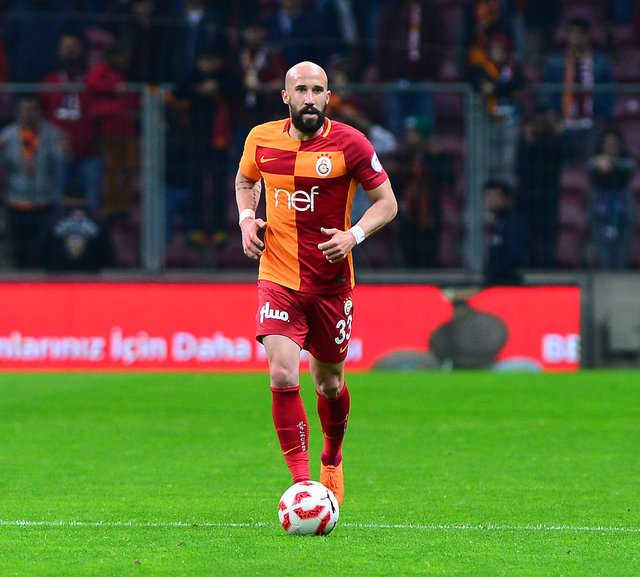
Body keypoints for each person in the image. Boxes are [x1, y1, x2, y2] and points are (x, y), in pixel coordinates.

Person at [235, 61, 397, 505]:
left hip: (330, 284)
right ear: (285, 96)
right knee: (282, 371)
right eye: (301, 90)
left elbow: (387, 203)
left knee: (329, 383)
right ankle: (302, 483)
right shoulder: (261, 138)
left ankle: (332, 456)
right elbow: (246, 178)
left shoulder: (351, 143)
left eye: (317, 90)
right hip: (278, 277)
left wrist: (353, 236)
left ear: (328, 97)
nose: (310, 98)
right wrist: (247, 218)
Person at [0, 94, 69, 268]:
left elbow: (62, 161)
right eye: (24, 109)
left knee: (42, 245)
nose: (28, 113)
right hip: (17, 199)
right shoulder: (8, 134)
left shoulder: (52, 133)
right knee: (19, 246)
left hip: (44, 199)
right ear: (17, 111)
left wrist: (64, 149)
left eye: (32, 109)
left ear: (39, 111)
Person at [40, 32, 104, 213]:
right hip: (58, 153)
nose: (69, 51)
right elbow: (43, 116)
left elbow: (100, 114)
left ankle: (93, 231)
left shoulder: (92, 81)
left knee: (94, 202)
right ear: (58, 51)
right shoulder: (49, 81)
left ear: (82, 50)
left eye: (73, 47)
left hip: (89, 152)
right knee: (55, 202)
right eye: (65, 47)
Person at [515, 105, 565, 268]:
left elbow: (566, 158)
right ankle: (529, 267)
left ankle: (549, 269)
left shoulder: (555, 141)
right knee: (527, 237)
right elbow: (520, 168)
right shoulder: (526, 141)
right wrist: (529, 143)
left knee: (548, 238)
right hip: (527, 198)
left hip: (548, 197)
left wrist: (559, 135)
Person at [586, 128, 637, 269]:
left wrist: (612, 163)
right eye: (607, 143)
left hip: (623, 212)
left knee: (621, 255)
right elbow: (590, 166)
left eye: (614, 143)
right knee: (603, 255)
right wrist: (601, 163)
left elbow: (631, 167)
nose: (611, 147)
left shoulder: (626, 163)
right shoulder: (595, 162)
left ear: (620, 145)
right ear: (601, 145)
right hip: (600, 213)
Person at [37, 183, 116, 272]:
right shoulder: (98, 222)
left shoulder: (52, 221)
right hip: (90, 277)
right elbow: (109, 257)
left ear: (63, 199)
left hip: (58, 276)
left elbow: (40, 253)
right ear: (86, 200)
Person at [483, 178, 530, 286]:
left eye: (494, 196)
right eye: (487, 196)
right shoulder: (498, 223)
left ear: (507, 199)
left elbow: (514, 256)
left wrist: (495, 272)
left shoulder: (514, 225)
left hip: (507, 285)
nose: (489, 201)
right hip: (495, 284)